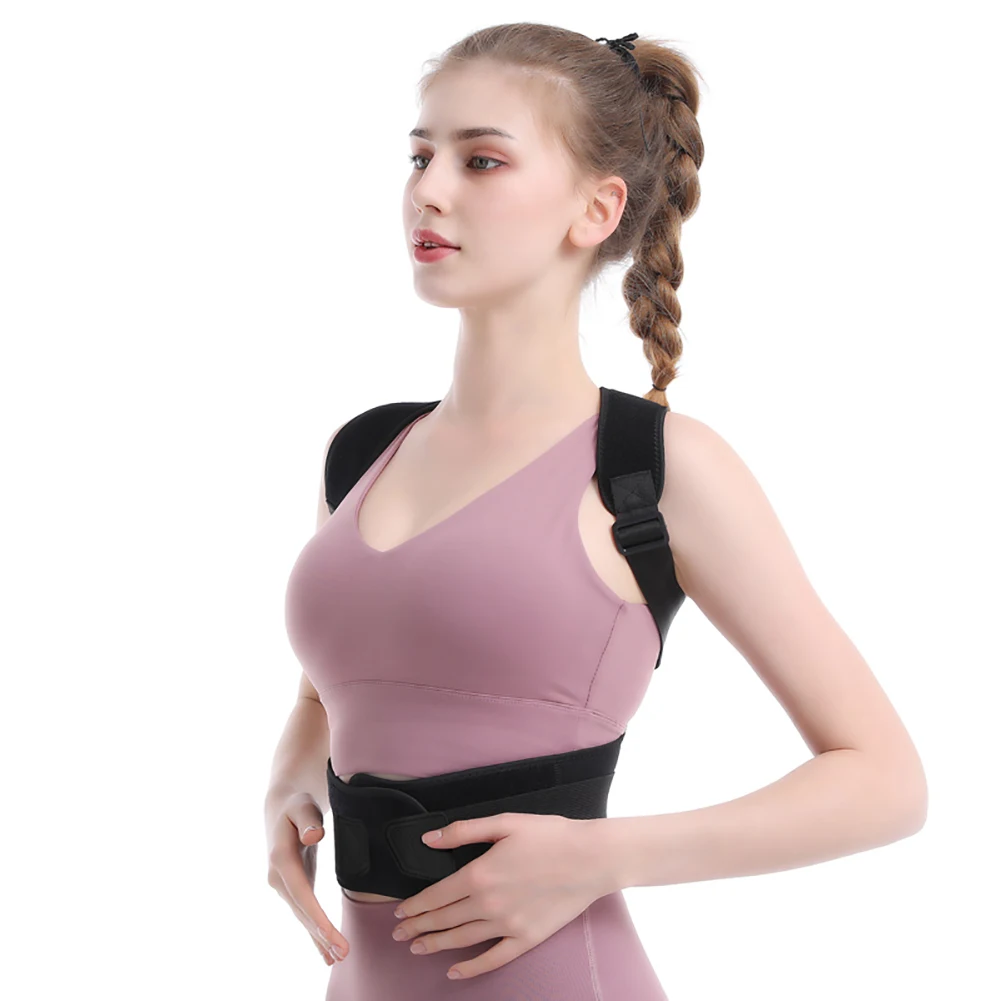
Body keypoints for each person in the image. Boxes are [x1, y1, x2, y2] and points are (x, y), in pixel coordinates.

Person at [266, 22, 927, 1000]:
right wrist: (293, 769)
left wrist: (598, 855)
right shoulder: (363, 450)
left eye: (480, 160)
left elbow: (884, 779)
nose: (428, 190)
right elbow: (340, 684)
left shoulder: (653, 470)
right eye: (418, 156)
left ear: (596, 208)